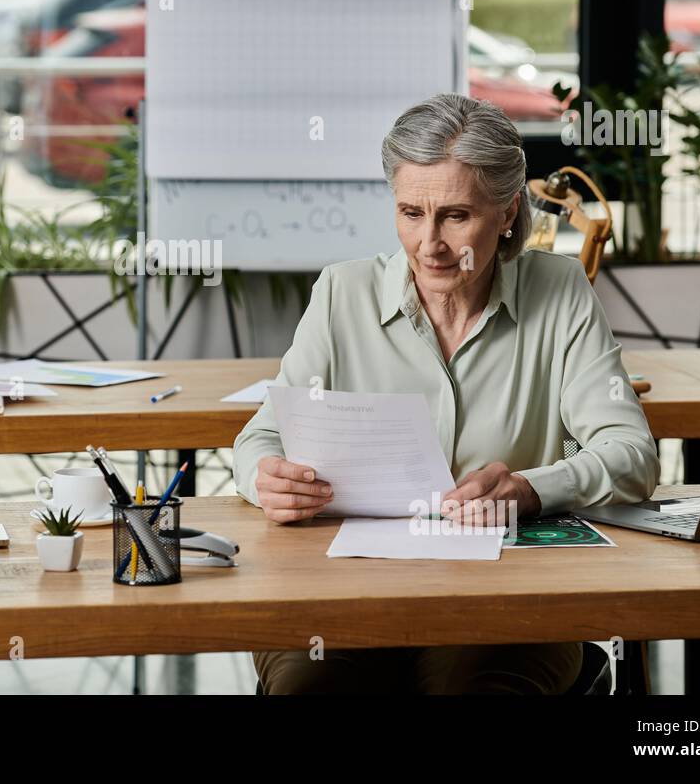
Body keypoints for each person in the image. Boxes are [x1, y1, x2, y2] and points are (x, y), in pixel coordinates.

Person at [233, 92, 660, 694]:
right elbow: (261, 436)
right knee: (310, 691)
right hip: (347, 590)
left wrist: (531, 489)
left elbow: (632, 454)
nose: (428, 243)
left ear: (509, 211)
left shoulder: (559, 291)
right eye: (410, 212)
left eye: (456, 216)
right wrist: (265, 477)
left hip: (505, 597)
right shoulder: (341, 293)